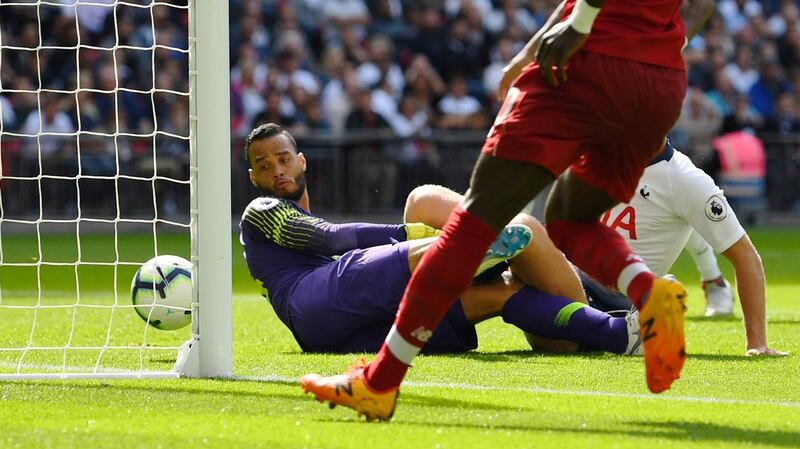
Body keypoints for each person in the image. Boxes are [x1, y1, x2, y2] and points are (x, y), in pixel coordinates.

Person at [301, 0, 716, 420]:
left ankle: (379, 382)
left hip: (585, 60)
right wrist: (652, 48)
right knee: (571, 221)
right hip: (660, 80)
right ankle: (648, 294)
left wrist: (579, 26)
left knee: (472, 225)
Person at [240, 123, 642, 360]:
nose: (277, 170)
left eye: (283, 158)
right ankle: (472, 246)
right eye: (264, 165)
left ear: (302, 160)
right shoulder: (259, 210)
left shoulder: (295, 226)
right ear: (253, 179)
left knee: (498, 294)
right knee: (439, 235)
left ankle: (619, 333)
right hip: (315, 302)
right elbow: (328, 238)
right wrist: (420, 235)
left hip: (350, 335)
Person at [599, 139, 787, 357]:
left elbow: (746, 256)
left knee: (556, 324)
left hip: (616, 296)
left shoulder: (684, 179)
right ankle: (626, 333)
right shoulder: (603, 158)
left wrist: (757, 344)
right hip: (579, 277)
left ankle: (636, 328)